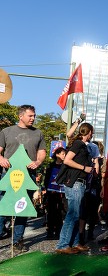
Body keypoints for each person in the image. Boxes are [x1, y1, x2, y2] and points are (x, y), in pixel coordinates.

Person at [0, 105, 46, 253]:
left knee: (22, 207)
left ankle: (17, 241)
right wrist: (1, 159)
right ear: (21, 116)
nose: (33, 118)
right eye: (30, 116)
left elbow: (42, 152)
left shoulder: (38, 133)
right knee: (3, 206)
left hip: (29, 175)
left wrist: (38, 162)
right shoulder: (6, 132)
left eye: (34, 115)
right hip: (8, 175)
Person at [55, 122, 94, 254]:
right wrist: (84, 168)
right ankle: (62, 244)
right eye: (91, 133)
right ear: (89, 133)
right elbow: (67, 160)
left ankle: (76, 242)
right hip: (75, 183)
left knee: (77, 214)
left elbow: (68, 134)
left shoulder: (81, 145)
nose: (92, 135)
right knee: (73, 214)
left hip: (80, 183)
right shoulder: (78, 144)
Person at [43, 147, 67, 239]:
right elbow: (47, 179)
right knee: (51, 211)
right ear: (57, 154)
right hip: (51, 192)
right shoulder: (51, 165)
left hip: (62, 192)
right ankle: (50, 231)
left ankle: (58, 231)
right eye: (62, 154)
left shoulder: (65, 165)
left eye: (65, 154)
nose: (64, 156)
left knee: (60, 212)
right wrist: (48, 188)